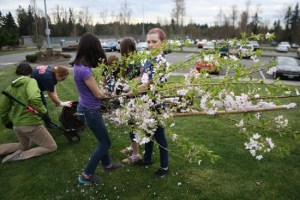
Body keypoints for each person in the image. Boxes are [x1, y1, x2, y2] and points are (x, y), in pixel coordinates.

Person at [73, 32, 122, 185]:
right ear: (92, 47)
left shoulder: (78, 64)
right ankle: (86, 175)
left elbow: (93, 91)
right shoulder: (85, 70)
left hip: (85, 106)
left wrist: (102, 93)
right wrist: (113, 95)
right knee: (105, 143)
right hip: (90, 110)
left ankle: (107, 164)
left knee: (102, 139)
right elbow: (98, 95)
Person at [0, 63, 57, 163]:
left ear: (17, 73)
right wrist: (44, 113)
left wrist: (6, 122)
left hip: (17, 125)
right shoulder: (31, 81)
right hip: (30, 124)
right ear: (31, 72)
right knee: (51, 146)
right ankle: (20, 155)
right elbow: (34, 98)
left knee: (24, 146)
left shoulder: (10, 87)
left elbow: (2, 108)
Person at [135, 28, 170, 178]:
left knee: (159, 136)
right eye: (148, 41)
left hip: (156, 104)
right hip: (145, 102)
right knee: (147, 132)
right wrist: (130, 82)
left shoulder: (163, 63)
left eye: (154, 41)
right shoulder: (148, 59)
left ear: (163, 42)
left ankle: (164, 167)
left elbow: (151, 83)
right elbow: (141, 78)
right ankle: (147, 159)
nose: (150, 45)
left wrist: (136, 88)